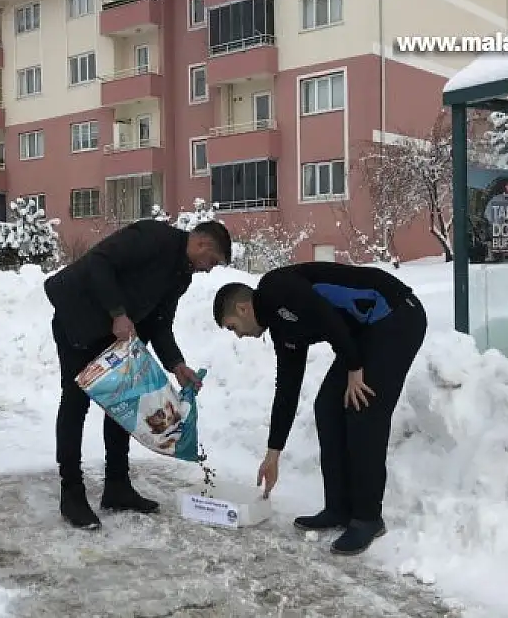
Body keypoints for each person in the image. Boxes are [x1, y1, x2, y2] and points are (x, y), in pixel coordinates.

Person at [211, 261, 427, 555]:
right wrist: (273, 453)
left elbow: (325, 315)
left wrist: (354, 367)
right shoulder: (282, 329)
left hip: (396, 315)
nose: (238, 335)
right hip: (362, 332)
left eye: (233, 328)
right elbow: (287, 388)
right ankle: (338, 508)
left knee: (363, 408)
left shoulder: (275, 288)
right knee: (327, 406)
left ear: (242, 309)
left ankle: (367, 518)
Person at [44, 218, 232, 530]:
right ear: (202, 244)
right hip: (78, 316)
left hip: (115, 333)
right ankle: (72, 493)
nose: (209, 268)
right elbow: (98, 264)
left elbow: (159, 323)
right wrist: (118, 313)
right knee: (76, 403)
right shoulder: (152, 237)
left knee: (126, 402)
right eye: (212, 261)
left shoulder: (181, 275)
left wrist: (176, 364)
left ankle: (117, 485)